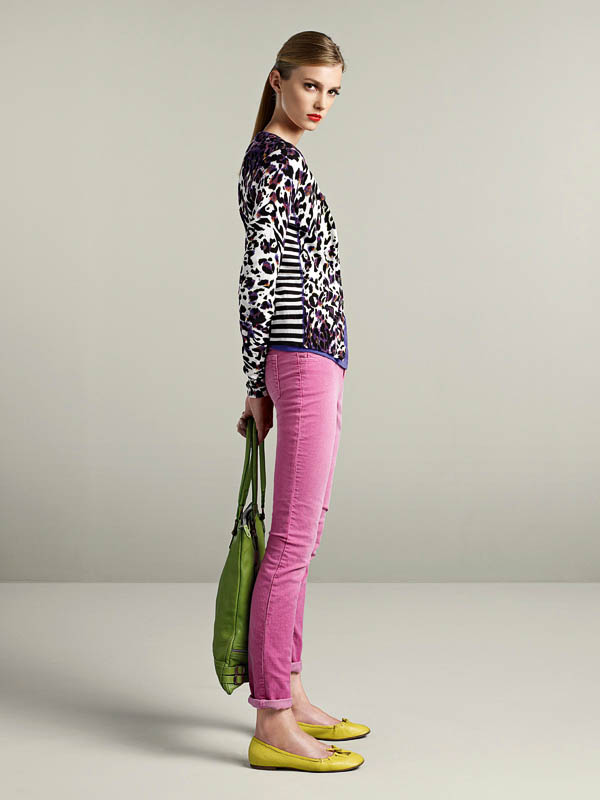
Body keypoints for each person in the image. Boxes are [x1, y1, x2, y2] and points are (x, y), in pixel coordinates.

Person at [235, 31, 369, 773]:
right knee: (289, 542)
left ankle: (289, 688)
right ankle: (272, 720)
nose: (321, 102)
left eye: (333, 91)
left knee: (303, 535)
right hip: (299, 358)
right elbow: (257, 277)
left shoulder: (289, 160)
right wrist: (256, 384)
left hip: (319, 359)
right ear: (277, 80)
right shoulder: (271, 161)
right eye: (311, 85)